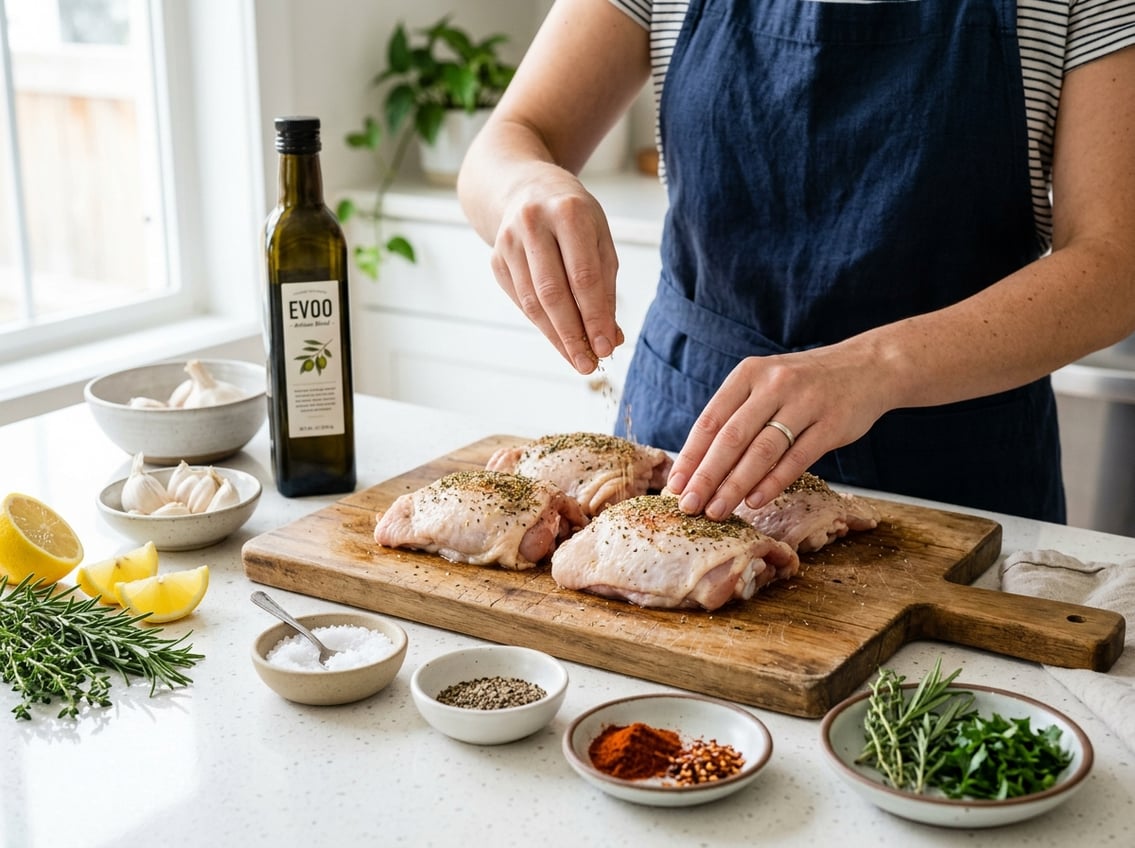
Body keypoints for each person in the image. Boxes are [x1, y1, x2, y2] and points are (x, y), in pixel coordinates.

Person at [457, 0, 1135, 524]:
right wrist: (526, 187)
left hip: (955, 456)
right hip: (691, 432)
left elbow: (1115, 262)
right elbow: (510, 141)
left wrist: (877, 367)